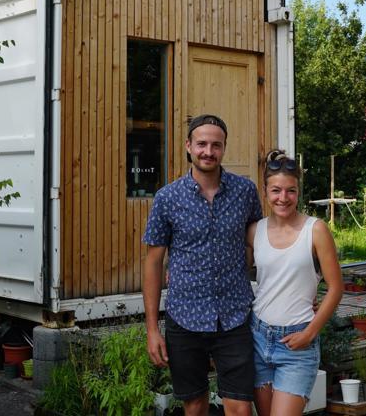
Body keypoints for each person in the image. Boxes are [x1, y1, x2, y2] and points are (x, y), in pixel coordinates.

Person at [143, 114, 262, 416]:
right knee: (194, 405)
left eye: (216, 145)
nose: (208, 151)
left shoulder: (245, 192)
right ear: (188, 146)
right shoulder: (167, 198)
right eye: (202, 144)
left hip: (234, 315)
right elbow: (154, 263)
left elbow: (259, 245)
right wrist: (152, 329)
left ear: (224, 148)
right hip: (185, 318)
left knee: (239, 406)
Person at [248, 150, 343, 416]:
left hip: (297, 344)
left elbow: (336, 288)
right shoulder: (255, 231)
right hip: (258, 337)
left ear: (298, 192)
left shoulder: (316, 230)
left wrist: (310, 333)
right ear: (265, 191)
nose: (283, 198)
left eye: (291, 191)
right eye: (276, 190)